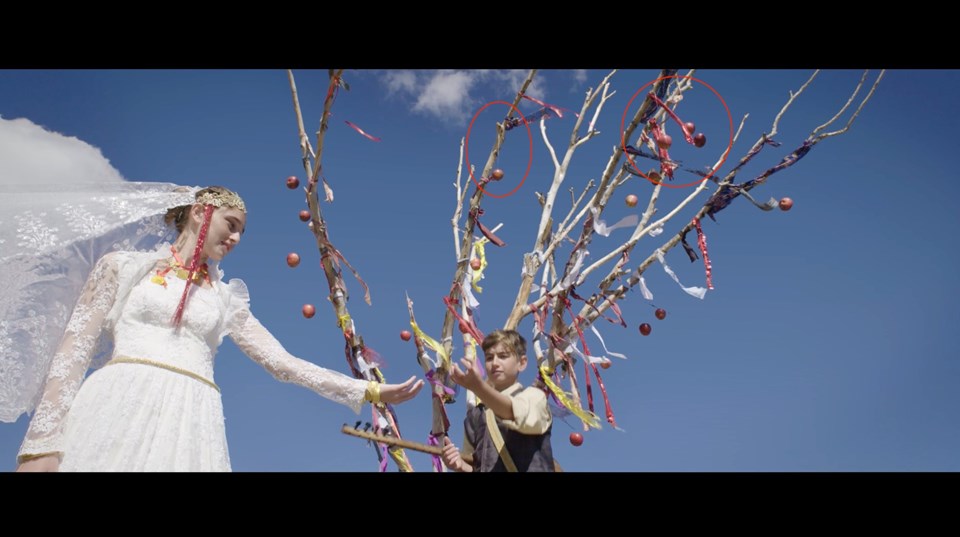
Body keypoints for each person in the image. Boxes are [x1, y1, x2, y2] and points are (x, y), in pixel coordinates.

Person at [13, 186, 423, 472]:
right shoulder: (124, 267)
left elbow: (283, 363)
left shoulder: (226, 300)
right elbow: (72, 354)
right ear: (198, 212)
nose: (237, 237)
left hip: (191, 421)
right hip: (118, 402)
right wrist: (40, 445)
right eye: (231, 224)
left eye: (242, 230)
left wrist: (366, 390)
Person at [440, 329, 554, 472]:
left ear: (522, 363)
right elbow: (477, 467)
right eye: (489, 358)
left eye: (503, 356)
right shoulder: (475, 417)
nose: (495, 363)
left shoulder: (534, 397)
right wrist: (460, 465)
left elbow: (513, 412)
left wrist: (478, 387)